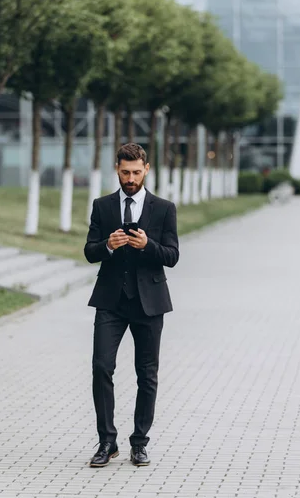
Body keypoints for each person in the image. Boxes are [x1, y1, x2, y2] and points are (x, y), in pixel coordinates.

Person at [84, 143, 179, 468]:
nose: (130, 178)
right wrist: (107, 246)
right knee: (101, 367)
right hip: (110, 301)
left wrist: (148, 245)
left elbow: (172, 256)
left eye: (136, 172)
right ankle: (106, 442)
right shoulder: (102, 205)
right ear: (117, 169)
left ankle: (139, 443)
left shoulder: (164, 208)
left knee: (147, 375)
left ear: (146, 169)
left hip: (149, 303)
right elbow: (89, 250)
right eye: (125, 172)